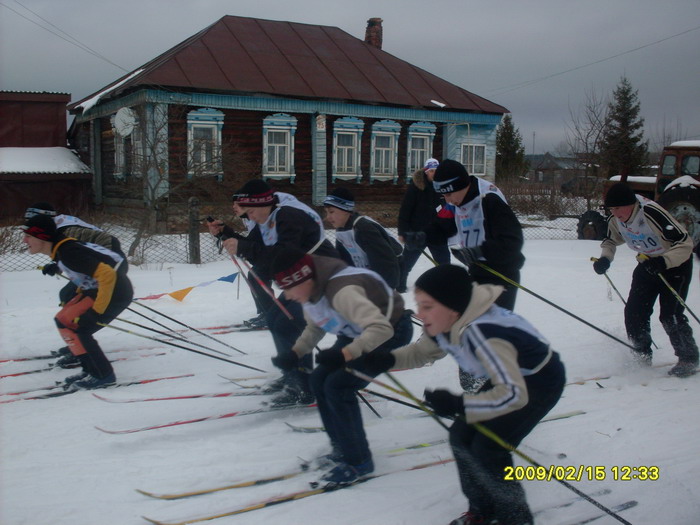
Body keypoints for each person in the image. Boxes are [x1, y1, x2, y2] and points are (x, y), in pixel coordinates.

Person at [365, 264, 565, 525]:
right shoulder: (449, 320)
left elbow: (513, 395)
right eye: (420, 305)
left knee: (488, 447)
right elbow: (422, 351)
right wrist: (379, 360)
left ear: (452, 307)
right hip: (505, 379)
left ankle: (515, 519)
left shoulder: (488, 333)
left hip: (538, 383)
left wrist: (460, 402)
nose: (420, 313)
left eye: (428, 306)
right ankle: (482, 511)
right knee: (461, 436)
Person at [269, 247, 413, 485]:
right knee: (318, 380)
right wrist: (295, 353)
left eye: (288, 288)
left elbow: (381, 329)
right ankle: (341, 449)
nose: (288, 296)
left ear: (303, 279)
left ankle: (358, 461)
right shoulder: (311, 291)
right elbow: (317, 325)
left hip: (390, 331)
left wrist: (345, 354)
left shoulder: (343, 292)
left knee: (339, 386)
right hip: (355, 332)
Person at [207, 179, 340, 405]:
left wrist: (244, 247)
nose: (248, 217)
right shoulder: (266, 220)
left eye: (249, 211)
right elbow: (256, 252)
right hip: (303, 280)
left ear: (262, 205)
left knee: (288, 326)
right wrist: (225, 235)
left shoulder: (289, 217)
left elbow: (284, 255)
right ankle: (294, 377)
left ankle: (303, 385)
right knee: (275, 319)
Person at [414, 159, 525, 391]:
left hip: (501, 274)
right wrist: (423, 236)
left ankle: (497, 388)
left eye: (448, 195)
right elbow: (444, 226)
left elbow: (512, 242)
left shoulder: (490, 200)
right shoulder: (457, 200)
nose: (447, 201)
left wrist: (479, 252)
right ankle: (478, 385)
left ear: (460, 186)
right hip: (478, 272)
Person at [592, 182, 699, 377]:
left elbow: (685, 244)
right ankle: (642, 355)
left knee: (670, 315)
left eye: (618, 208)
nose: (615, 213)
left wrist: (664, 261)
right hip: (647, 263)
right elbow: (610, 240)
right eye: (611, 209)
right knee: (634, 312)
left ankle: (688, 358)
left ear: (631, 204)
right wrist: (605, 259)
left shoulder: (651, 213)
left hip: (675, 264)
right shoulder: (615, 219)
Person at [22, 214, 133, 390]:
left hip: (116, 292)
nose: (24, 240)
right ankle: (89, 370)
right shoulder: (61, 249)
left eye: (28, 236)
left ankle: (103, 375)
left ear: (42, 236)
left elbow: (107, 274)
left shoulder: (67, 252)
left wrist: (96, 312)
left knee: (80, 327)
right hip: (97, 289)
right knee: (63, 320)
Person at [323, 187, 403, 289]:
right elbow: (344, 260)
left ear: (346, 210)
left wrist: (383, 291)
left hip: (384, 282)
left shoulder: (364, 229)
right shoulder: (342, 229)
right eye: (327, 212)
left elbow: (385, 263)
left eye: (331, 212)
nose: (327, 217)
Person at [397, 158, 450, 292]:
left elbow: (450, 210)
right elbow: (405, 210)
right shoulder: (416, 187)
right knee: (406, 263)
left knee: (444, 264)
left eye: (436, 171)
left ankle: (446, 287)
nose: (434, 173)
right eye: (431, 171)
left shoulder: (443, 188)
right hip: (417, 233)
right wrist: (403, 232)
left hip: (437, 233)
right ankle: (400, 285)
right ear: (426, 172)